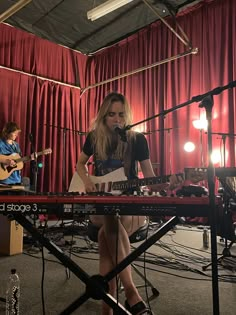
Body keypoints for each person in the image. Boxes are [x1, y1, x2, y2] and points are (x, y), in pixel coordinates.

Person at [76, 92, 179, 315]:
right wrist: (86, 181)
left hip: (130, 206)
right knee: (109, 219)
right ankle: (131, 292)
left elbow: (151, 182)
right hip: (101, 205)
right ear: (103, 116)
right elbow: (80, 165)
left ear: (127, 116)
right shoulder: (94, 138)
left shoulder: (137, 140)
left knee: (107, 233)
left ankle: (108, 308)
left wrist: (168, 183)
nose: (117, 119)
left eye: (121, 114)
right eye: (111, 114)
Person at [0, 121, 34, 186]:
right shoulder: (1, 144)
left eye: (17, 133)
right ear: (7, 132)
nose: (16, 135)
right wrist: (6, 161)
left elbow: (18, 161)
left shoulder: (16, 145)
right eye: (14, 133)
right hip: (5, 180)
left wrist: (29, 158)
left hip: (17, 180)